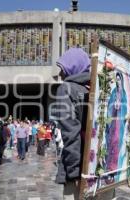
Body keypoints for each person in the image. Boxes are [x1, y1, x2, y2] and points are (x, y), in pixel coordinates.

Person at [53, 48, 92, 199]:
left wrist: (74, 171)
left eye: (63, 69)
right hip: (100, 166)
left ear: (73, 67)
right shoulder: (97, 89)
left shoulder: (66, 89)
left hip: (78, 169)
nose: (60, 74)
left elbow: (71, 133)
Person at [104, 72, 127, 182]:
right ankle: (108, 169)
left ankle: (114, 169)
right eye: (116, 79)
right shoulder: (113, 92)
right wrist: (114, 106)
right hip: (113, 120)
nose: (117, 81)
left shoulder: (124, 93)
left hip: (119, 122)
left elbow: (125, 106)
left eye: (119, 79)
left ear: (121, 80)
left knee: (117, 143)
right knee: (111, 143)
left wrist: (120, 107)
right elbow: (109, 105)